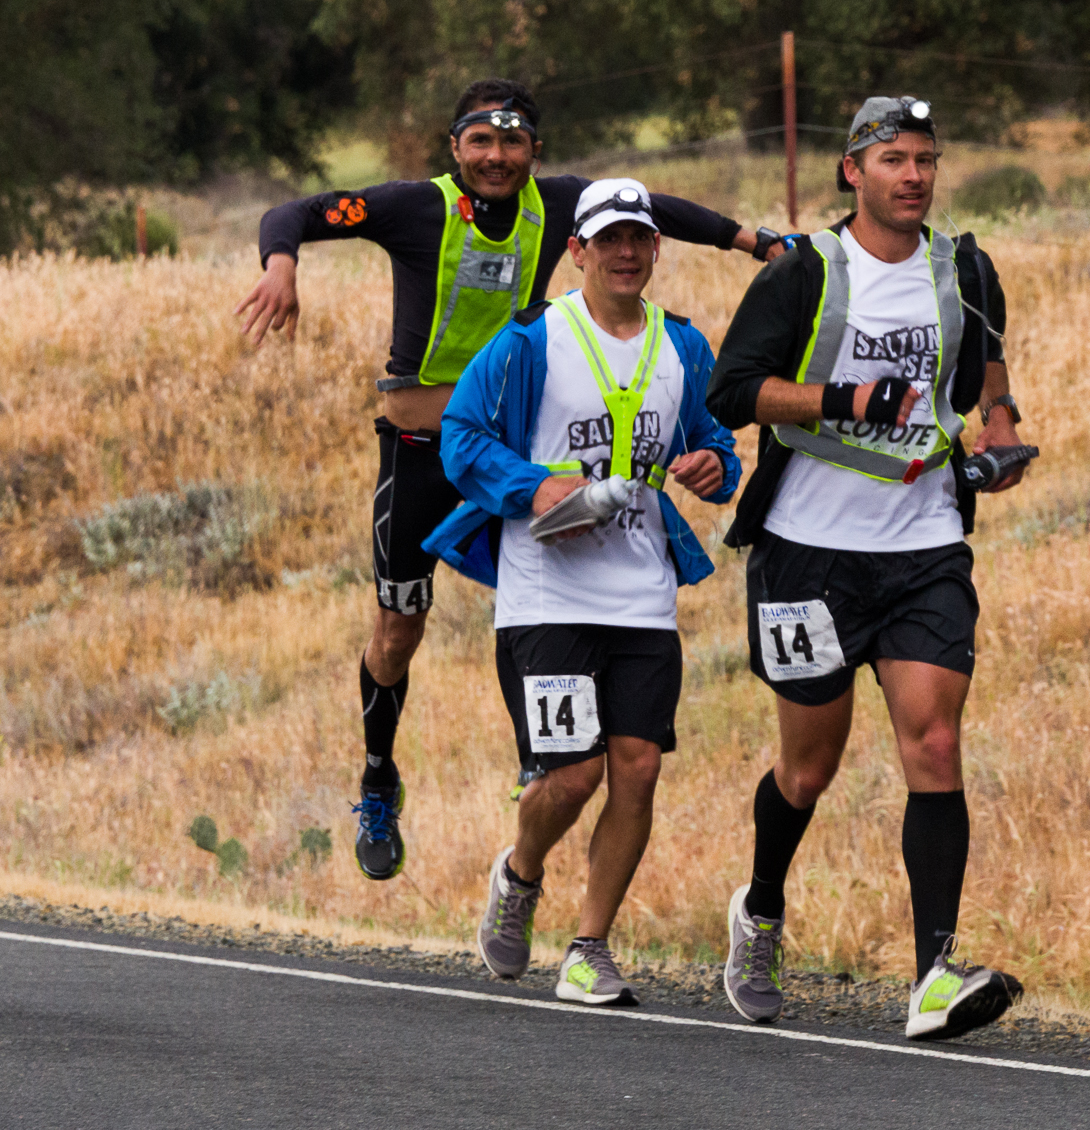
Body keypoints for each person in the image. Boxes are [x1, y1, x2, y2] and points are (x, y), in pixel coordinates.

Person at [232, 78, 785, 884]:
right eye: (480, 143)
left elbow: (656, 209)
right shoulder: (412, 206)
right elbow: (293, 214)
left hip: (520, 462)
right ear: (455, 148)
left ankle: (544, 760)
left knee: (540, 603)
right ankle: (379, 775)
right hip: (422, 451)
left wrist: (760, 242)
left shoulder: (561, 206)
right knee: (397, 630)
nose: (497, 157)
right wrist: (281, 265)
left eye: (513, 142)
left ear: (534, 149)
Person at [707, 95, 1033, 1041]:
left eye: (926, 158)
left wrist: (1001, 432)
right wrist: (840, 395)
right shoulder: (804, 272)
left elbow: (987, 365)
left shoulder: (964, 266)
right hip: (808, 553)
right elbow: (733, 391)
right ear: (852, 171)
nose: (915, 175)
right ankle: (761, 907)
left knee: (933, 745)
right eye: (894, 158)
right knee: (808, 769)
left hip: (923, 543)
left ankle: (933, 972)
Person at [424, 177, 740, 1005]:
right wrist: (532, 487)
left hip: (642, 593)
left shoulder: (685, 346)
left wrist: (715, 468)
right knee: (572, 774)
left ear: (656, 248)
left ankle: (589, 945)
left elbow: (713, 442)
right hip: (544, 592)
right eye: (608, 240)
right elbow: (460, 436)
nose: (626, 253)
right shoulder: (532, 339)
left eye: (639, 238)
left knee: (634, 769)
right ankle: (521, 871)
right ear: (578, 250)